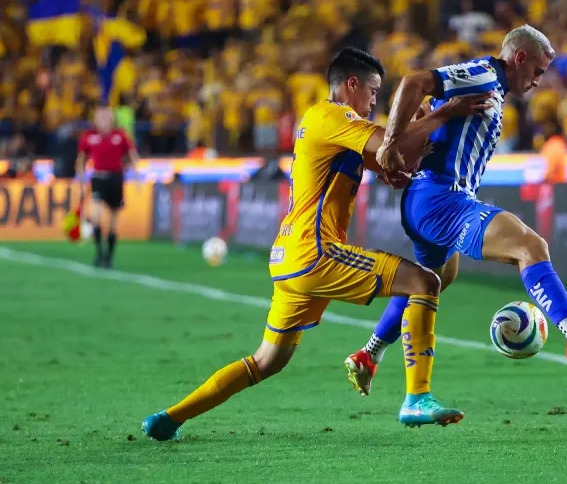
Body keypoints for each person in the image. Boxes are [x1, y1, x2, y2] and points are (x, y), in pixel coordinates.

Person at [141, 48, 491, 441]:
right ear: (351, 85)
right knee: (425, 282)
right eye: (373, 91)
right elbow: (388, 143)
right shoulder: (333, 115)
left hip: (290, 256)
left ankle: (169, 418)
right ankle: (417, 397)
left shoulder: (330, 127)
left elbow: (394, 159)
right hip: (316, 251)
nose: (374, 101)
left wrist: (412, 145)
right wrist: (444, 113)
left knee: (266, 361)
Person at [345, 26, 567, 397]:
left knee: (430, 281)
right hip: (441, 198)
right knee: (530, 246)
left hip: (430, 198)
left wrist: (422, 128)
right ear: (519, 57)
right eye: (536, 71)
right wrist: (391, 143)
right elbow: (412, 82)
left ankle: (368, 354)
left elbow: (431, 113)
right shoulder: (483, 75)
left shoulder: (491, 88)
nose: (537, 81)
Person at [76, 107, 138, 269]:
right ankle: (99, 252)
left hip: (116, 179)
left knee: (113, 223)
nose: (104, 120)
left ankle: (109, 256)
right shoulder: (89, 137)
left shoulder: (120, 136)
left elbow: (132, 155)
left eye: (106, 117)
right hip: (99, 178)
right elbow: (81, 159)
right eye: (100, 117)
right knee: (95, 216)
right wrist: (80, 177)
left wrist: (137, 175)